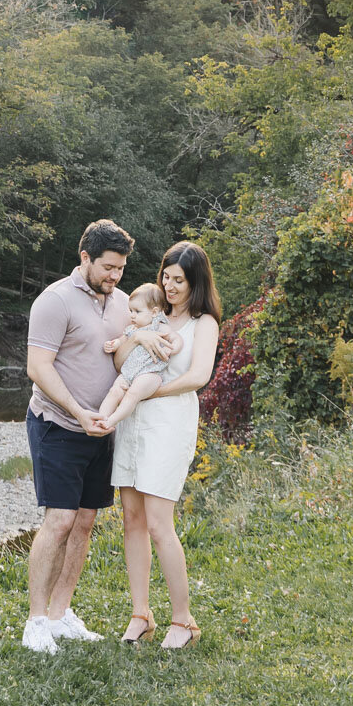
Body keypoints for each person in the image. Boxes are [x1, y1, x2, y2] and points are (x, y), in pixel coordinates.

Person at [22, 218, 134, 654]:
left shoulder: (123, 302)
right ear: (84, 258)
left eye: (121, 269)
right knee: (60, 520)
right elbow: (38, 367)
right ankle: (35, 622)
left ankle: (60, 613)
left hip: (102, 430)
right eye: (108, 267)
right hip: (57, 425)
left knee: (85, 522)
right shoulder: (54, 301)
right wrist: (78, 411)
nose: (115, 276)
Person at [103, 239, 220, 650]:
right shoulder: (150, 316)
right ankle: (141, 615)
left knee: (158, 523)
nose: (170, 287)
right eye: (166, 278)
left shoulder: (202, 324)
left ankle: (183, 620)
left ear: (196, 282)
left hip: (169, 423)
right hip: (133, 423)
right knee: (131, 520)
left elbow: (199, 377)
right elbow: (120, 364)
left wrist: (152, 392)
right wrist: (137, 340)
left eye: (179, 281)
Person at [96, 283, 182, 427]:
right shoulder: (132, 329)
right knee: (114, 391)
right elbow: (122, 341)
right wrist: (114, 344)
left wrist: (171, 350)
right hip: (129, 371)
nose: (132, 315)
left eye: (137, 311)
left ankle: (111, 421)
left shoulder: (160, 327)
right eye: (131, 310)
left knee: (131, 395)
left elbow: (176, 339)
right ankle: (100, 418)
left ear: (154, 312)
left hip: (150, 372)